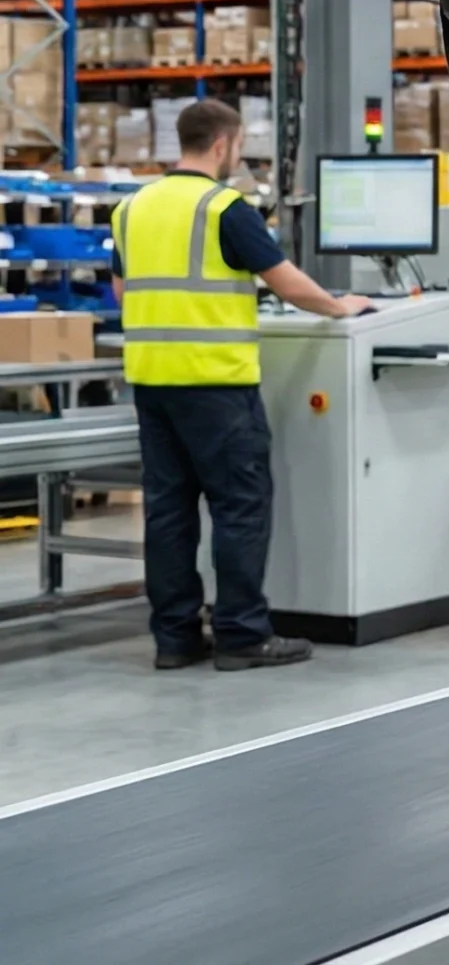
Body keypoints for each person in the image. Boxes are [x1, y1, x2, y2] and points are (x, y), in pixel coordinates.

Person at [112, 99, 372, 671]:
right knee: (240, 507)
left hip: (152, 381)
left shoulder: (132, 207)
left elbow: (123, 292)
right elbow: (287, 283)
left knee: (168, 512)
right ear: (223, 144)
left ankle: (176, 639)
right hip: (215, 382)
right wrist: (339, 307)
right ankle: (241, 635)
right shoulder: (223, 206)